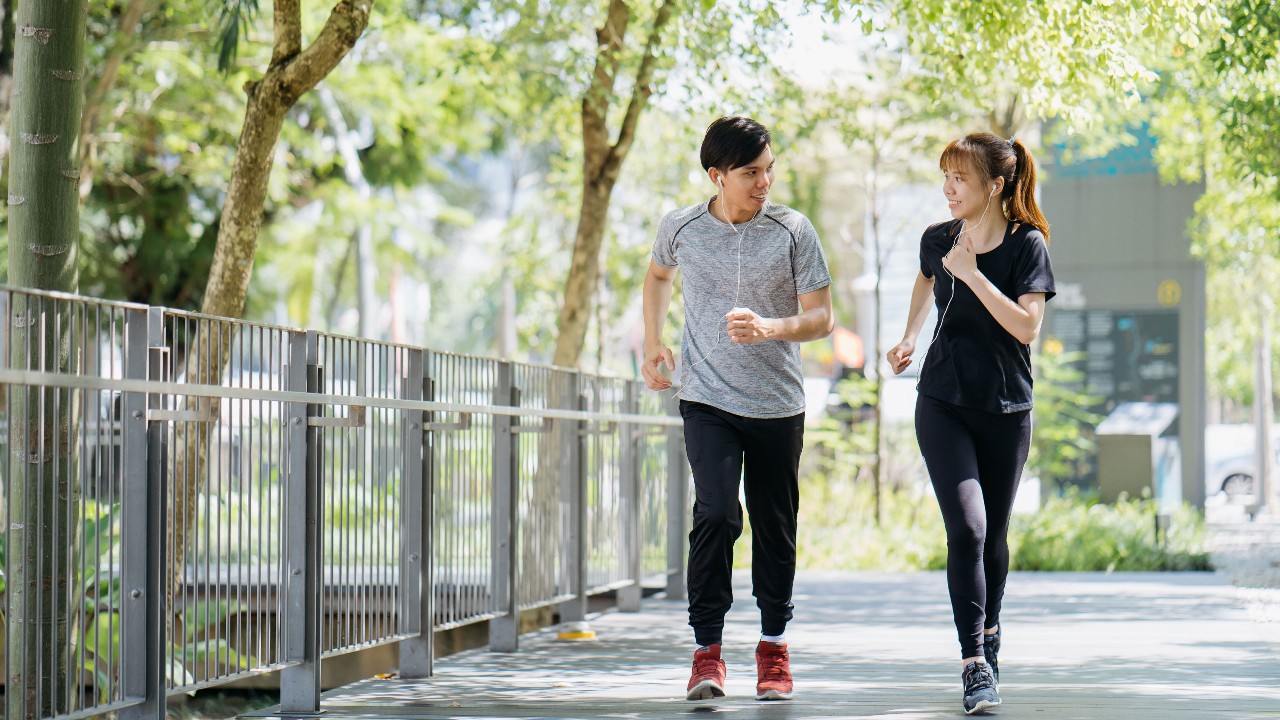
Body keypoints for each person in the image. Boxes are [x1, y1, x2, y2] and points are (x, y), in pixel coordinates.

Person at [640, 116, 834, 702]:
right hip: (706, 399)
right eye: (751, 173)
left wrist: (771, 327)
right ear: (716, 176)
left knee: (775, 526)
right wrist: (653, 341)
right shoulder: (682, 227)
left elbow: (822, 317)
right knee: (718, 514)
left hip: (777, 405)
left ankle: (773, 648)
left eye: (769, 169)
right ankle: (707, 653)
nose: (764, 182)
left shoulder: (794, 230)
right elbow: (656, 277)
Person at [887, 132, 1055, 715]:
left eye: (961, 179)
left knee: (996, 534)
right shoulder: (939, 240)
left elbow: (1027, 328)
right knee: (969, 529)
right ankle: (974, 663)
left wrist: (975, 274)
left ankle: (990, 630)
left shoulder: (1027, 245)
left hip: (1007, 408)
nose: (948, 189)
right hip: (942, 400)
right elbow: (926, 278)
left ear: (995, 187)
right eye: (946, 177)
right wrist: (910, 335)